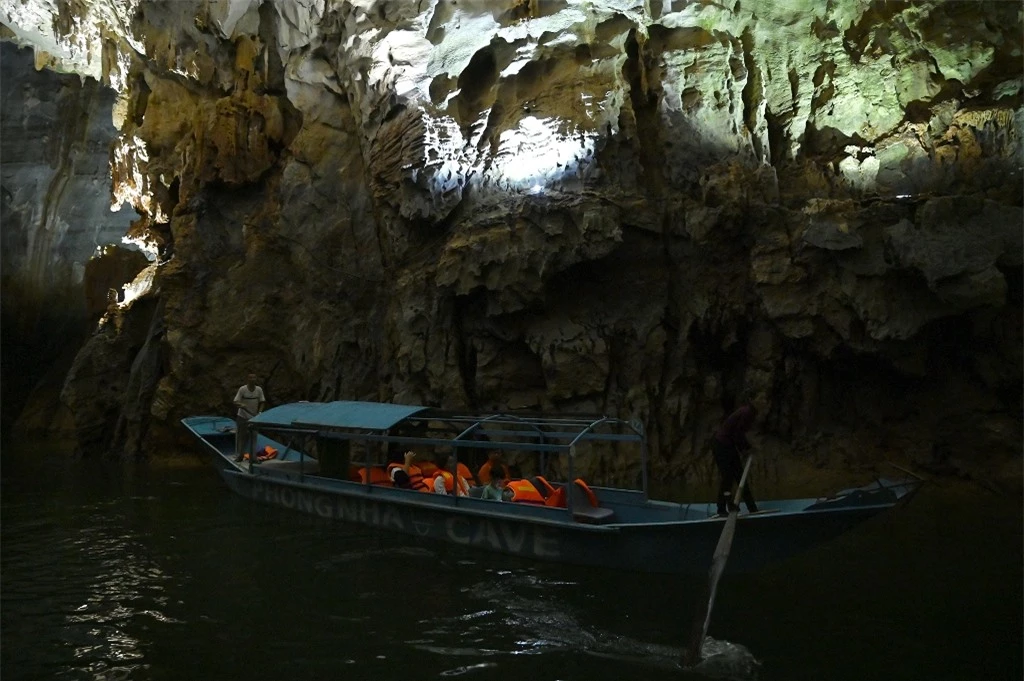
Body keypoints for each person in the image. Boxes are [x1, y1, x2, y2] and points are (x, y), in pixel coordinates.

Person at [712, 402, 759, 516]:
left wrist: (747, 448)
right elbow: (737, 433)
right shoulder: (746, 412)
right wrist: (745, 450)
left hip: (729, 446)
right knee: (727, 477)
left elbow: (739, 434)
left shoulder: (748, 412)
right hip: (721, 445)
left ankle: (752, 508)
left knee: (740, 475)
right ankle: (721, 509)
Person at [232, 373, 266, 461]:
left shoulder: (259, 390)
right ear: (247, 379)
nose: (252, 379)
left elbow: (262, 401)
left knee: (254, 437)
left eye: (254, 377)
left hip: (254, 417)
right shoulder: (242, 389)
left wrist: (260, 412)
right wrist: (241, 404)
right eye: (250, 377)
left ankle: (253, 457)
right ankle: (240, 456)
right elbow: (235, 401)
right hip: (242, 417)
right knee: (241, 437)